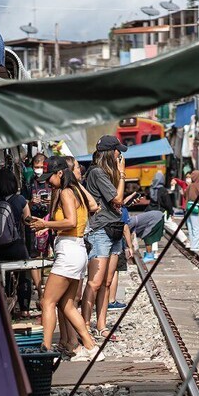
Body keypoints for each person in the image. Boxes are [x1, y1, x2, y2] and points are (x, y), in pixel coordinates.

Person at [28, 156, 104, 361]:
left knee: (47, 301)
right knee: (67, 305)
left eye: (49, 177)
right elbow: (93, 206)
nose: (46, 181)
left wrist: (45, 225)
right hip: (76, 250)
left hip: (69, 251)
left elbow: (70, 221)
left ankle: (46, 350)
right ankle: (89, 347)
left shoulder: (66, 192)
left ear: (60, 173)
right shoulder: (76, 190)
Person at [82, 135, 127, 341]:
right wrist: (122, 174)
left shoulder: (106, 173)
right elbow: (117, 199)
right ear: (111, 153)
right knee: (95, 282)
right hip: (101, 230)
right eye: (118, 151)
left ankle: (101, 325)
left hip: (114, 228)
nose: (120, 154)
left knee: (107, 282)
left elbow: (116, 203)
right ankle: (84, 325)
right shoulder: (98, 172)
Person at [0, 169, 33, 317]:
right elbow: (28, 220)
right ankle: (25, 309)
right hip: (15, 246)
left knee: (0, 275)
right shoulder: (20, 199)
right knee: (24, 274)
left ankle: (1, 307)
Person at [26, 153, 51, 303]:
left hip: (49, 222)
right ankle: (40, 290)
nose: (39, 170)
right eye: (36, 167)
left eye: (41, 167)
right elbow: (25, 204)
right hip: (34, 222)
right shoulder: (29, 183)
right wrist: (31, 202)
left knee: (47, 255)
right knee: (35, 256)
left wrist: (51, 201)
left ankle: (47, 289)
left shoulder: (51, 181)